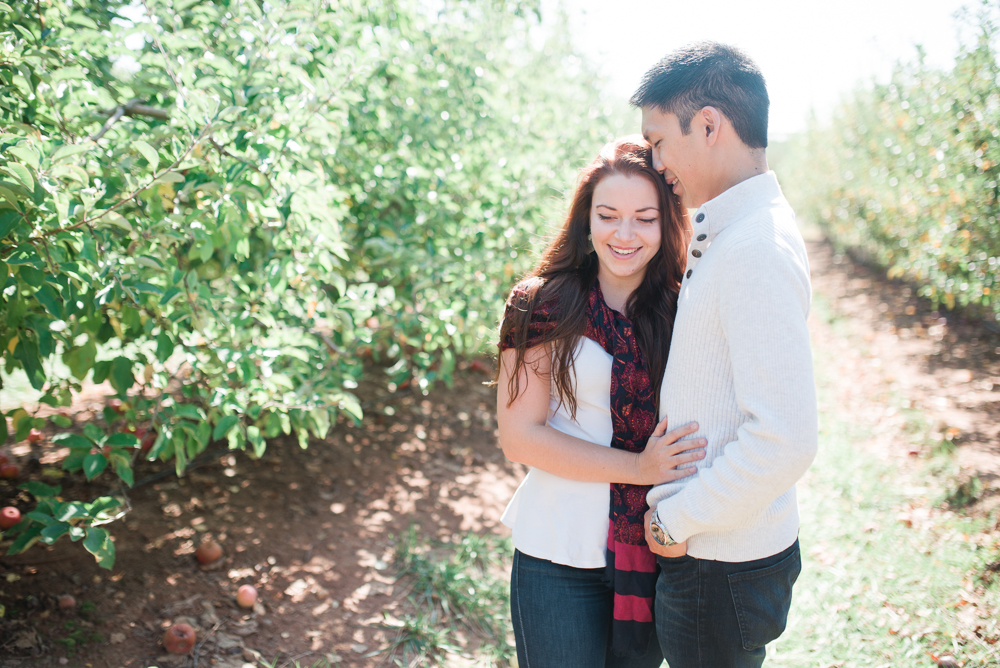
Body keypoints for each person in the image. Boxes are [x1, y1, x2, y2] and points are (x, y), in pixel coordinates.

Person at [632, 42, 819, 668]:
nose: (656, 164)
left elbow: (786, 439)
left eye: (659, 141)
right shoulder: (736, 231)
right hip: (715, 552)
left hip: (717, 559)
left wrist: (674, 523)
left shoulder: (755, 248)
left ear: (709, 125)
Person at [495, 136, 701, 667]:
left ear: (667, 224)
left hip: (653, 552)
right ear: (586, 220)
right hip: (557, 553)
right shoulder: (542, 303)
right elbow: (520, 436)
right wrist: (638, 466)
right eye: (608, 215)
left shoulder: (686, 309)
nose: (624, 234)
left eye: (645, 218)